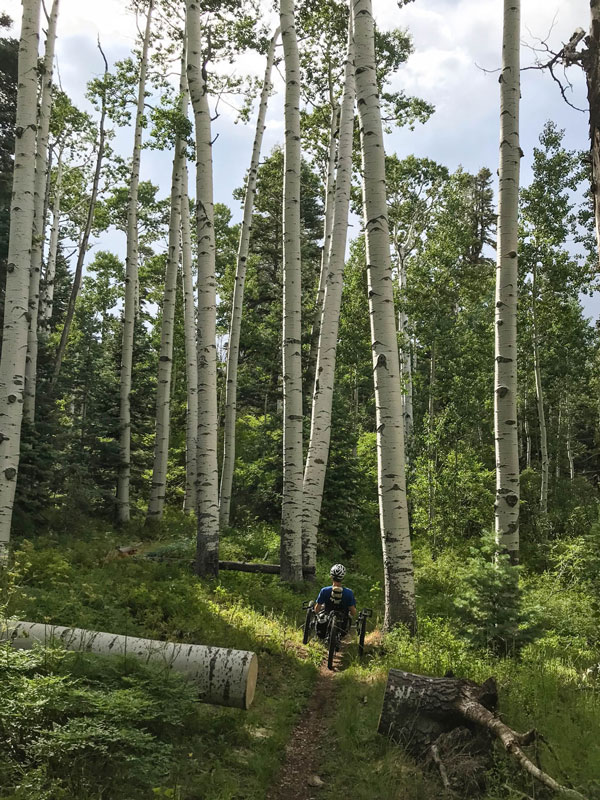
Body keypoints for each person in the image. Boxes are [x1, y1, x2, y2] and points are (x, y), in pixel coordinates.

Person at [314, 564, 357, 639]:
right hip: (343, 624)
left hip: (326, 619)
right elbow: (353, 612)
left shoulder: (324, 591)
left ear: (331, 577)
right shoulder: (349, 593)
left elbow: (317, 609)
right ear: (343, 578)